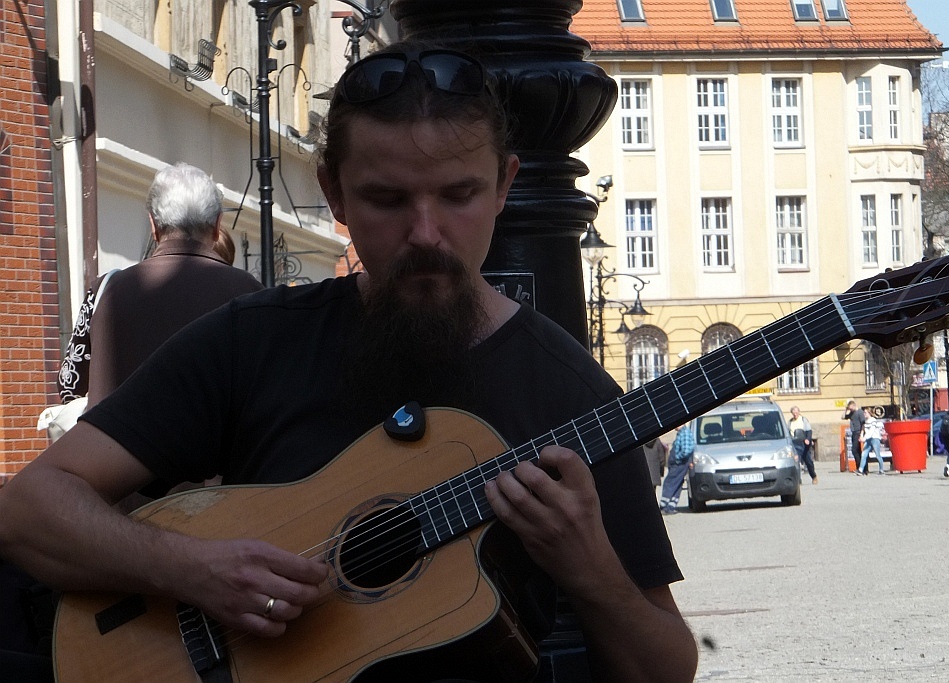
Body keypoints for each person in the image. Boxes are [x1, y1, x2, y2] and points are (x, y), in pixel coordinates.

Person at [0, 42, 697, 683]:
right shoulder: (254, 340)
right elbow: (30, 507)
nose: (426, 233)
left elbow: (664, 667)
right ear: (334, 192)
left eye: (459, 195)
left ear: (504, 184)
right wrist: (194, 568)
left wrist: (591, 568)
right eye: (387, 199)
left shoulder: (571, 392)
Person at [59, 163, 264, 409]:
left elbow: (69, 384)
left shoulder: (105, 292)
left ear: (153, 224)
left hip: (124, 444)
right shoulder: (254, 295)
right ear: (218, 225)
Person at [660, 424, 695, 515]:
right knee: (676, 484)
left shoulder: (685, 433)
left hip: (679, 464)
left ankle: (665, 506)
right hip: (679, 464)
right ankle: (670, 506)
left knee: (670, 483)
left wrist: (676, 458)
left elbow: (686, 450)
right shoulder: (681, 433)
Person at [788, 406, 817, 484]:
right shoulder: (790, 422)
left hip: (804, 443)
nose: (795, 414)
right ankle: (798, 479)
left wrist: (808, 439)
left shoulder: (803, 420)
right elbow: (788, 432)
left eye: (796, 412)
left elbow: (809, 431)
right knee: (796, 461)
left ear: (799, 412)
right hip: (794, 443)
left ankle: (814, 476)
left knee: (808, 462)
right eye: (793, 413)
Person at [857, 407, 885, 475]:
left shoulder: (873, 421)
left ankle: (881, 470)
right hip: (868, 439)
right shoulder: (866, 421)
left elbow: (871, 431)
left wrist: (864, 438)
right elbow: (863, 429)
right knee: (864, 454)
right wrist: (861, 435)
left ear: (869, 413)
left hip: (874, 439)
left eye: (865, 412)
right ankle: (860, 470)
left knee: (877, 455)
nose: (864, 414)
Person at [843, 399, 865, 473]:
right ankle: (860, 468)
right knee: (858, 451)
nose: (850, 409)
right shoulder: (852, 413)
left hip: (858, 432)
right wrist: (846, 409)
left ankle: (860, 467)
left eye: (851, 408)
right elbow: (844, 417)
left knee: (854, 450)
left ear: (854, 405)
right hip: (853, 432)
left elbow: (863, 423)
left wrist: (862, 433)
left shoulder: (860, 412)